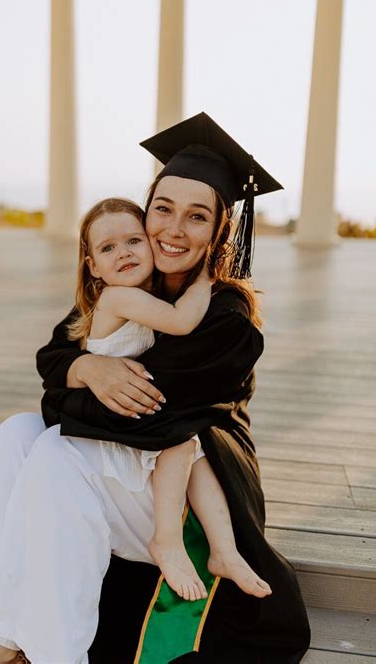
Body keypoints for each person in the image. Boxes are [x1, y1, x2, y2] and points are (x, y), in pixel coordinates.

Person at [0, 113, 310, 663]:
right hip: (127, 469)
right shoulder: (130, 275)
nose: (173, 230)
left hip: (187, 492)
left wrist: (77, 381)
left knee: (53, 457)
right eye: (163, 209)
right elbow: (54, 358)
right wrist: (87, 370)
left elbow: (140, 417)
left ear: (219, 232)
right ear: (146, 210)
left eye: (197, 217)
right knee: (13, 436)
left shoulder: (227, 316)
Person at [66, 195, 272, 602]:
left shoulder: (141, 294)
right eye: (108, 249)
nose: (123, 254)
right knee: (180, 443)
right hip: (114, 423)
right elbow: (181, 321)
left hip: (135, 413)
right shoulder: (117, 297)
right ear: (93, 266)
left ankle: (224, 551)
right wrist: (206, 279)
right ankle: (167, 539)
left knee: (197, 453)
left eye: (133, 242)